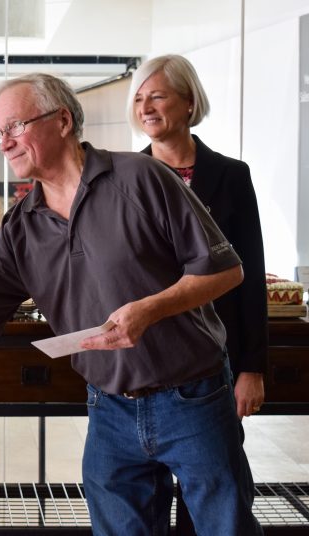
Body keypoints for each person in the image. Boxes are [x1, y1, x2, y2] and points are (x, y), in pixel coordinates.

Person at [0, 73, 264, 535]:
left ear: (62, 120)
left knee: (227, 528)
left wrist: (150, 309)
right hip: (110, 411)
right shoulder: (20, 228)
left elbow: (226, 271)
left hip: (194, 398)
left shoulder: (142, 177)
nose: (3, 144)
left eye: (14, 128)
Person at [128, 53, 268, 536]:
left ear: (188, 103)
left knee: (212, 501)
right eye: (139, 99)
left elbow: (249, 275)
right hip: (144, 364)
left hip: (214, 365)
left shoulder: (231, 175)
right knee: (142, 500)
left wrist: (251, 368)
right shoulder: (123, 176)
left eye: (158, 96)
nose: (146, 107)